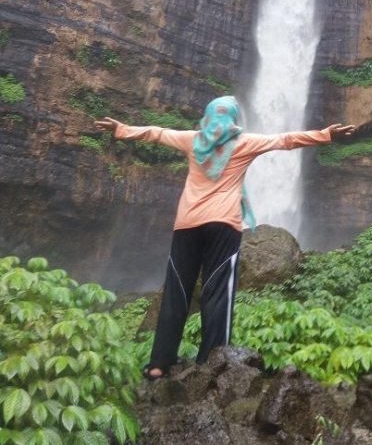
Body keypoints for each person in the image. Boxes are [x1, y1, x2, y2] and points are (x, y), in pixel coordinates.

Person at [94, 95, 354, 379]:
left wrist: (122, 129)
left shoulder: (193, 139)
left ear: (207, 116)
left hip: (187, 224)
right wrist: (325, 134)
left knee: (176, 290)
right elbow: (284, 140)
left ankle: (158, 363)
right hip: (223, 223)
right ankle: (211, 362)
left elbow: (156, 133)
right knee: (217, 290)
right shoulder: (242, 143)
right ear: (233, 118)